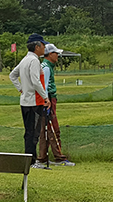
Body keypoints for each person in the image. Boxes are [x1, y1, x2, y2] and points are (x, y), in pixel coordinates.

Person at [9, 34, 50, 169]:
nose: (44, 47)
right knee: (34, 133)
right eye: (43, 45)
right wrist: (45, 97)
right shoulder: (34, 61)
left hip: (25, 101)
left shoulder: (24, 59)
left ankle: (29, 159)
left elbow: (12, 75)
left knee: (29, 132)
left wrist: (21, 88)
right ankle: (31, 161)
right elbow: (35, 81)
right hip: (34, 102)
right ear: (37, 46)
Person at [37, 43, 74, 166]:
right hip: (48, 100)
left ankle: (42, 157)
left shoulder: (46, 66)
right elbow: (45, 86)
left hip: (45, 100)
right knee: (53, 128)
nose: (58, 55)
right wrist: (46, 102)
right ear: (50, 54)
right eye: (56, 53)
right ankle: (59, 157)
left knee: (45, 129)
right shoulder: (46, 67)